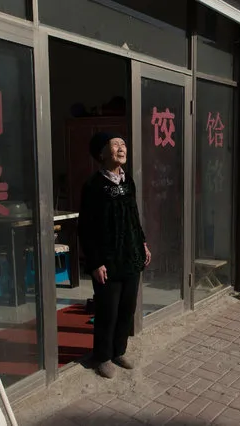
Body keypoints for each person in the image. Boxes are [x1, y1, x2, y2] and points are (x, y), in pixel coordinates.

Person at [78, 132, 151, 379]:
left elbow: (133, 215)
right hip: (107, 261)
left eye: (123, 144)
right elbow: (86, 228)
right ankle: (102, 356)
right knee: (107, 310)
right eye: (116, 144)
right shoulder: (93, 186)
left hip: (130, 256)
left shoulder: (127, 180)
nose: (122, 148)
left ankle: (119, 350)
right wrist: (95, 261)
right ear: (102, 153)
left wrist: (143, 243)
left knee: (126, 309)